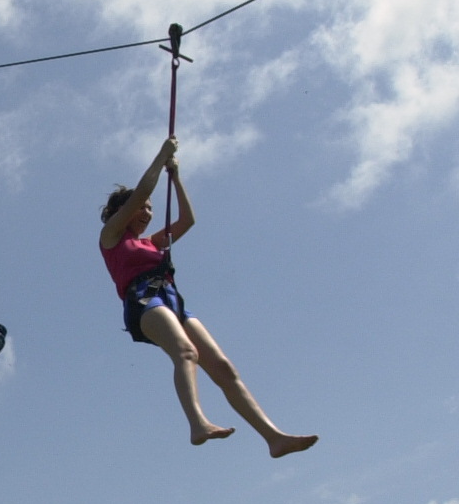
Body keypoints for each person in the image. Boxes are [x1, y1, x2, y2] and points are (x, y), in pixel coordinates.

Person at [99, 137, 317, 457]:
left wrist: (176, 177)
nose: (147, 212)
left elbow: (188, 221)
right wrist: (161, 156)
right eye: (141, 207)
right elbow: (143, 191)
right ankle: (197, 423)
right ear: (123, 211)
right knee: (186, 352)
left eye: (149, 208)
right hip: (143, 301)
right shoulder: (112, 236)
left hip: (172, 299)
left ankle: (274, 438)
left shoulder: (152, 243)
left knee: (224, 368)